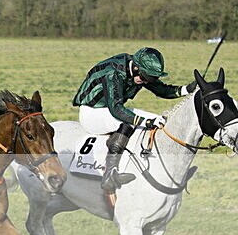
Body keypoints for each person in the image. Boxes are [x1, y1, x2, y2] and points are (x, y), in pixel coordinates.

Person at [72, 47, 197, 191]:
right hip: (92, 112)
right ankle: (109, 174)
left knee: (160, 120)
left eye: (149, 79)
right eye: (144, 78)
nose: (144, 82)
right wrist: (145, 122)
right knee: (129, 122)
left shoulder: (142, 69)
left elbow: (162, 90)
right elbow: (117, 109)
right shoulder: (114, 73)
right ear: (136, 67)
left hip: (109, 110)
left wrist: (187, 89)